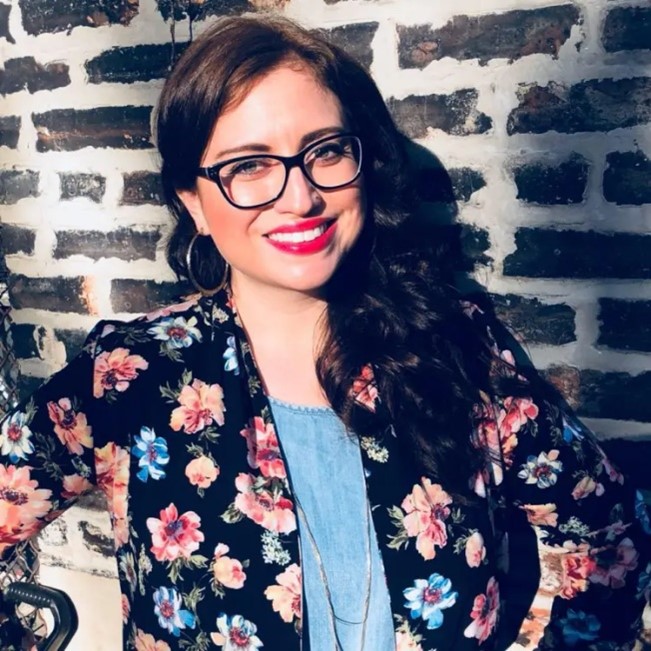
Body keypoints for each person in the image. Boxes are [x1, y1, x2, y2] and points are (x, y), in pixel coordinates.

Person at [0, 13, 649, 651]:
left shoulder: (460, 352)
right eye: (248, 165)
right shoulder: (130, 380)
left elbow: (607, 538)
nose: (300, 196)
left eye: (325, 150)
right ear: (193, 201)